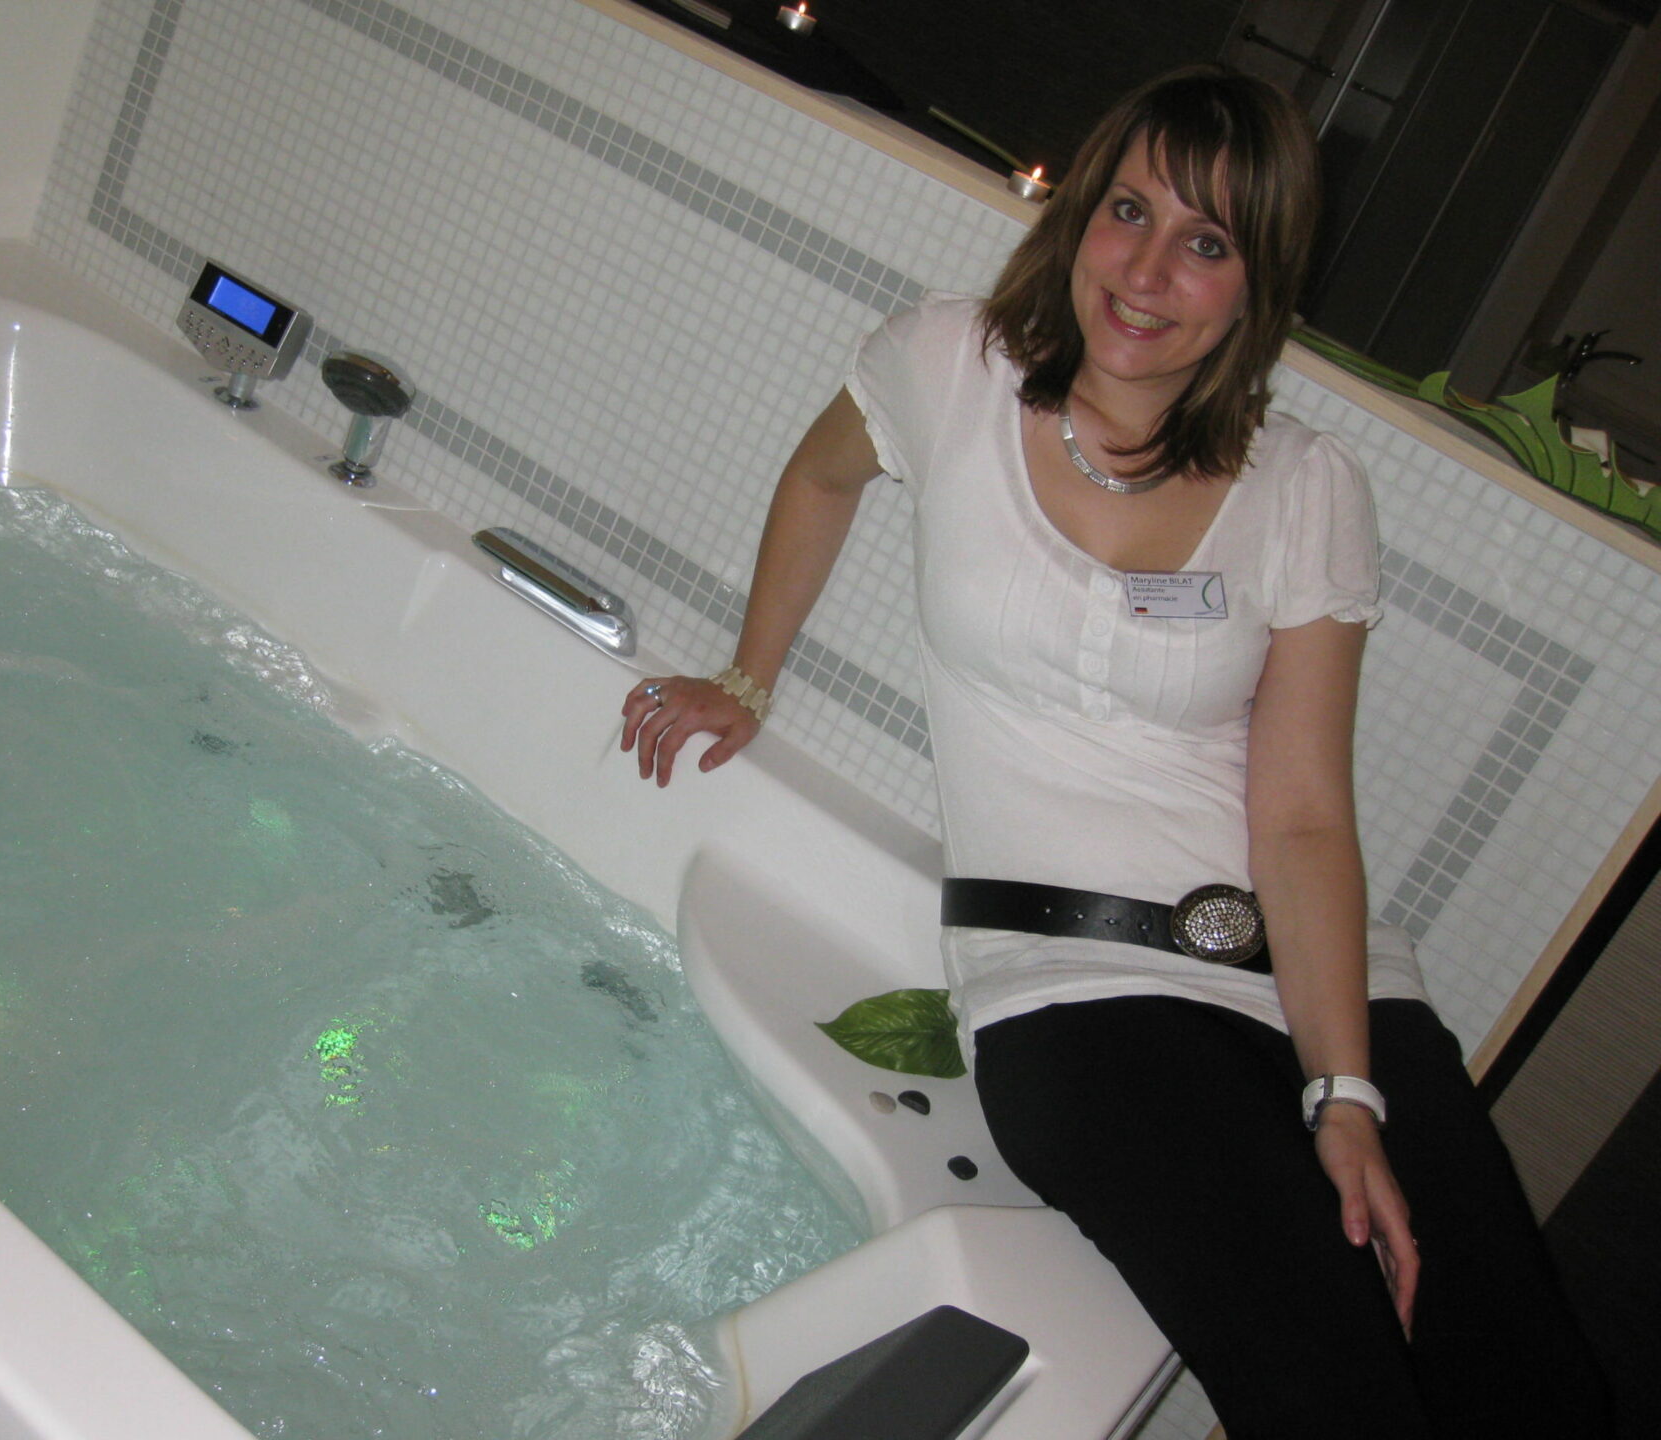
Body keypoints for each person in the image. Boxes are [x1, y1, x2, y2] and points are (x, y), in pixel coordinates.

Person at [618, 63, 1608, 1439]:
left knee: (1526, 1379)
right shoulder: (949, 364)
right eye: (1130, 211)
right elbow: (824, 472)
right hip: (1070, 986)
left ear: (1259, 284)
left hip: (1311, 976)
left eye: (1207, 242)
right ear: (1081, 213)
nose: (1146, 273)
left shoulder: (1306, 485)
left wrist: (1346, 1092)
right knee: (1337, 1393)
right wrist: (748, 676)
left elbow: (1303, 815)